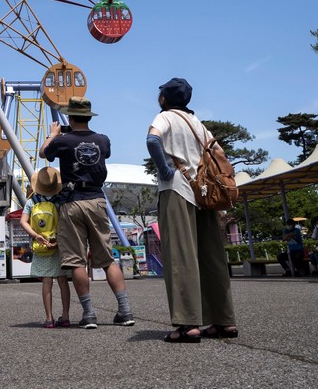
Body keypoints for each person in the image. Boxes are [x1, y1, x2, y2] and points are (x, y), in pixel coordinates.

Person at [145, 78, 233, 342]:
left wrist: (165, 169)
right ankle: (224, 322)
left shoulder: (166, 118)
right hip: (205, 195)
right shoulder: (199, 124)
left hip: (178, 190)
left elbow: (152, 141)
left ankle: (188, 324)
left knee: (180, 256)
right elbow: (219, 153)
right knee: (212, 257)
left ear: (164, 97)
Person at [42, 96, 134, 330]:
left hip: (72, 202)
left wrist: (53, 134)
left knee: (76, 260)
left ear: (70, 117)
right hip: (96, 200)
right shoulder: (102, 140)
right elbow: (106, 154)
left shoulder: (63, 140)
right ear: (88, 116)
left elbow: (44, 153)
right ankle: (124, 311)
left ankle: (89, 313)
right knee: (107, 258)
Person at [19, 166, 71, 328]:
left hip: (41, 245)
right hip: (59, 244)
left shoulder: (31, 201)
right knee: (62, 280)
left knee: (47, 281)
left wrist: (36, 236)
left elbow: (23, 221)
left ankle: (49, 318)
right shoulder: (61, 200)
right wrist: (58, 240)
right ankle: (66, 316)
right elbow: (66, 222)